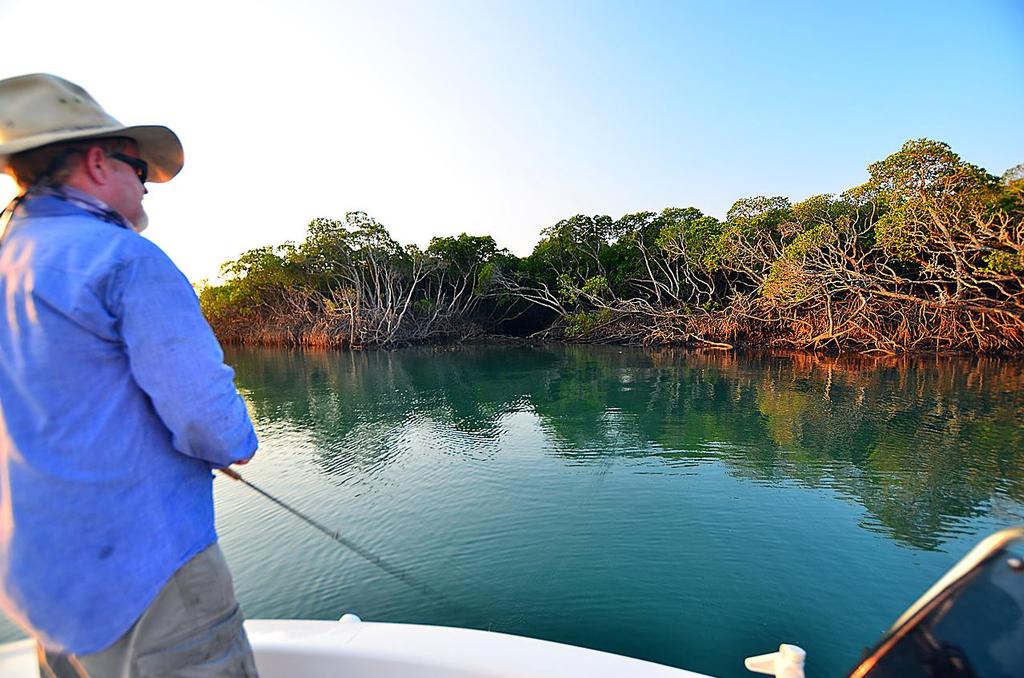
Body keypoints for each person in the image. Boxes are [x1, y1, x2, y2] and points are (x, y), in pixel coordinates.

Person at [0, 74, 260, 677]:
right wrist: (232, 444)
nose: (146, 189)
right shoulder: (123, 257)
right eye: (139, 172)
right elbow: (210, 423)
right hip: (147, 578)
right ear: (96, 162)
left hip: (43, 586)